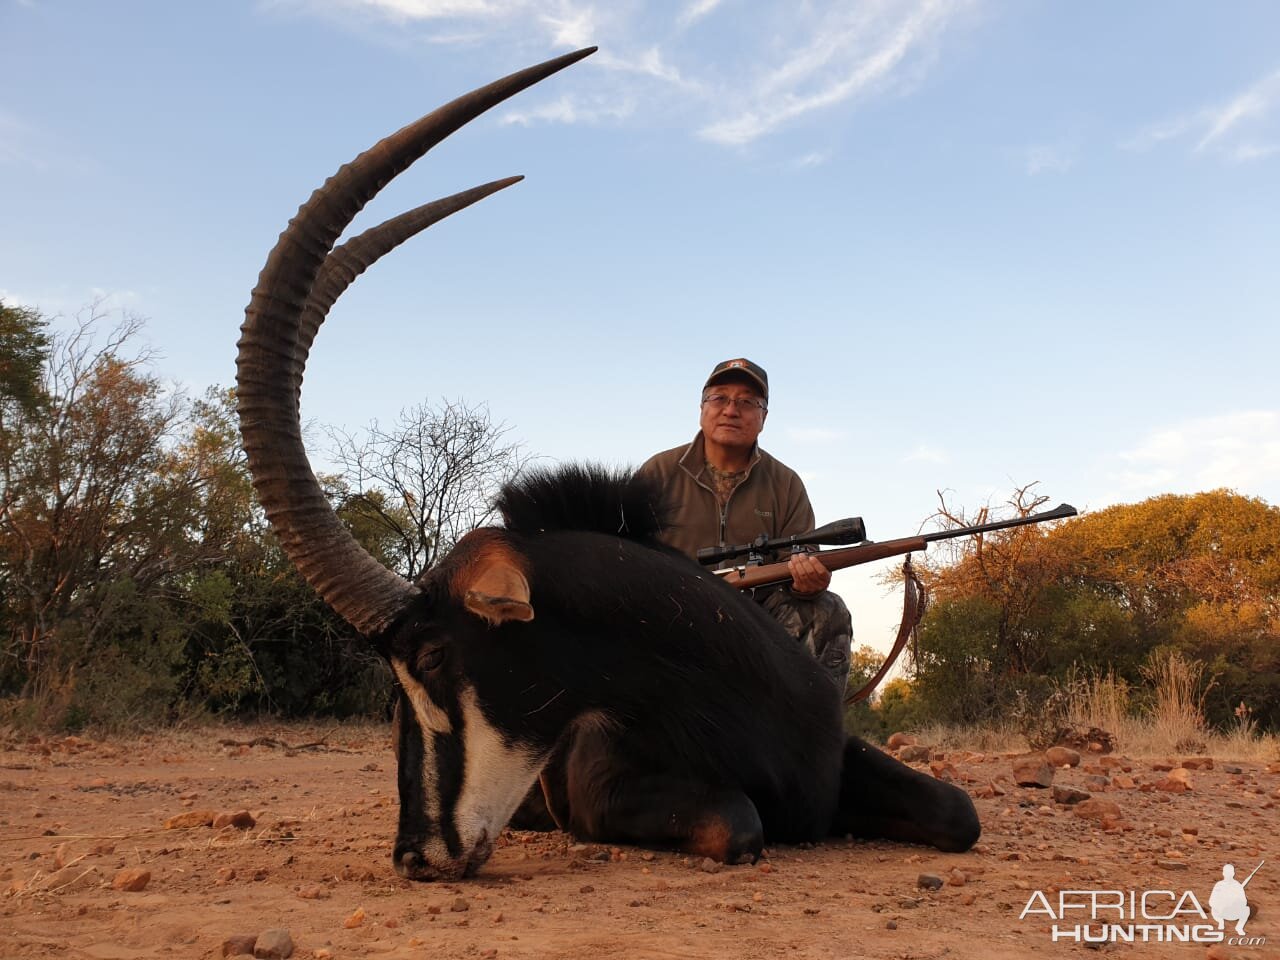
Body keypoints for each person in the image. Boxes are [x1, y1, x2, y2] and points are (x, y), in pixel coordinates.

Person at [637, 358, 852, 692]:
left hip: (754, 622)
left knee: (828, 609)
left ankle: (811, 738)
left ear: (763, 417)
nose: (731, 410)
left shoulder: (786, 483)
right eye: (719, 398)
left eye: (747, 402)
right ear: (702, 408)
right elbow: (625, 554)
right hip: (673, 616)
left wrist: (806, 583)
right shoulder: (658, 472)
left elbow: (803, 556)